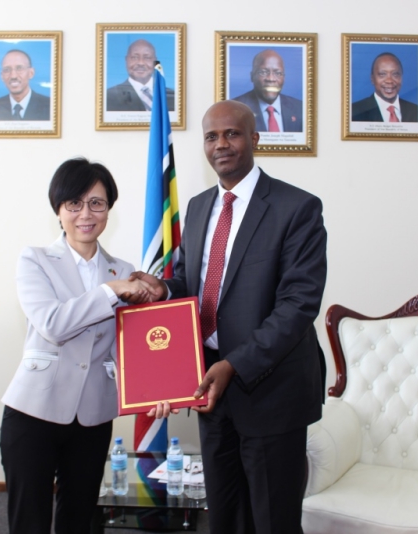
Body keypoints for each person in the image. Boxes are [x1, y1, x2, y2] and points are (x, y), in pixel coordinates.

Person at [132, 100, 327, 533]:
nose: (221, 144)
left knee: (272, 519)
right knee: (224, 515)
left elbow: (297, 305)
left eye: (232, 134)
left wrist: (234, 364)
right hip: (210, 389)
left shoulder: (297, 209)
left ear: (254, 139)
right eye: (211, 136)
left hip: (271, 390)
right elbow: (191, 282)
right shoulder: (199, 208)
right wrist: (162, 288)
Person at [0, 158, 152, 534]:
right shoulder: (34, 260)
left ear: (109, 209)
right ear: (59, 210)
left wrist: (156, 388)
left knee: (80, 519)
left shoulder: (123, 269)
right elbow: (53, 324)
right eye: (74, 203)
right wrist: (109, 292)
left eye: (97, 203)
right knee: (28, 520)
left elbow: (129, 346)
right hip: (33, 411)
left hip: (93, 416)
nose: (86, 213)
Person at [232, 49, 303, 132]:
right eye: (263, 72)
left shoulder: (300, 108)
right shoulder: (235, 109)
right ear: (252, 76)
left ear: (284, 77)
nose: (271, 79)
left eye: (278, 73)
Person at [106, 39, 175, 112]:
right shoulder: (109, 97)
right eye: (134, 57)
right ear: (126, 60)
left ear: (155, 62)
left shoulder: (172, 97)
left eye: (147, 57)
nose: (141, 63)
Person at [351, 51, 418, 122]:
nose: (389, 81)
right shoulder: (355, 111)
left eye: (395, 74)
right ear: (372, 79)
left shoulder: (417, 111)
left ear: (401, 78)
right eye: (382, 74)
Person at [0, 49, 51, 121]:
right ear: (1, 76)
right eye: (7, 70)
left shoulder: (50, 107)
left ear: (31, 73)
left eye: (19, 68)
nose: (13, 76)